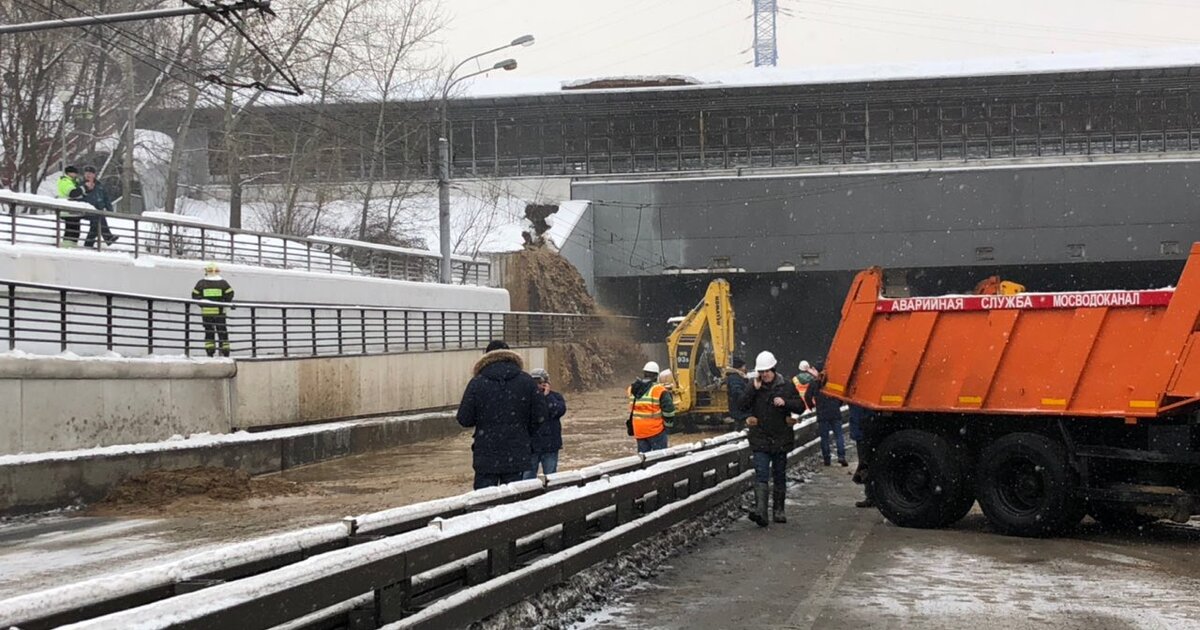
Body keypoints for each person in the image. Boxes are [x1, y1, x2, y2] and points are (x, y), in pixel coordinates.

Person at [457, 340, 547, 489]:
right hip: (517, 453)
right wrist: (523, 433)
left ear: (485, 358)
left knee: (484, 503)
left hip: (486, 454)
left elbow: (464, 419)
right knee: (513, 501)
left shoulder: (477, 383)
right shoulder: (526, 381)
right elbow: (540, 416)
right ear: (511, 356)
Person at [738, 350, 806, 526]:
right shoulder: (754, 387)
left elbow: (800, 407)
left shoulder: (786, 386)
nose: (764, 375)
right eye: (761, 372)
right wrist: (753, 389)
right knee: (761, 474)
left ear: (773, 369)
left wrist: (786, 403)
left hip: (780, 438)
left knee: (779, 474)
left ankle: (778, 509)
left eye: (767, 371)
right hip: (760, 437)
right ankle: (761, 511)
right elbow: (741, 405)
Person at [526, 368, 565, 480]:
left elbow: (559, 411)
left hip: (550, 445)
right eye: (535, 383)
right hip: (532, 446)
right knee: (527, 478)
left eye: (541, 382)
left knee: (551, 478)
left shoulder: (555, 397)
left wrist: (547, 396)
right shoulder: (527, 398)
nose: (538, 386)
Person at [627, 361, 675, 452]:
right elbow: (669, 411)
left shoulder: (633, 389)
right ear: (656, 376)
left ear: (644, 373)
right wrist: (668, 426)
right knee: (660, 457)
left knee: (644, 458)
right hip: (655, 430)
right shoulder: (659, 390)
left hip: (639, 430)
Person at [805, 370, 848, 467]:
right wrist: (837, 405)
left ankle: (827, 459)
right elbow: (841, 395)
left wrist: (812, 405)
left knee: (824, 438)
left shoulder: (814, 383)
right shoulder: (833, 383)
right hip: (835, 412)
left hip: (822, 414)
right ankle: (841, 456)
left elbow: (807, 396)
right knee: (839, 436)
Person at [192, 263, 234, 357]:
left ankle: (210, 351)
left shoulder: (201, 283)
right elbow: (230, 293)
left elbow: (195, 295)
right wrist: (224, 302)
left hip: (207, 313)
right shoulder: (223, 283)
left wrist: (203, 304)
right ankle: (225, 351)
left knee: (209, 332)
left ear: (206, 271)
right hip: (220, 312)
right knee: (222, 331)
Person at [79, 166, 118, 248]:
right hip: (86, 209)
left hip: (98, 209)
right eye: (86, 173)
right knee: (98, 219)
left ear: (94, 175)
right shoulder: (81, 185)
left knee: (96, 225)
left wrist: (109, 209)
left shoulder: (99, 186)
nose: (88, 175)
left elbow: (106, 198)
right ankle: (108, 237)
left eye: (90, 173)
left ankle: (88, 244)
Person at [848, 403, 876, 508]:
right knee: (867, 463)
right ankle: (872, 496)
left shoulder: (858, 399)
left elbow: (856, 416)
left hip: (863, 433)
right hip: (865, 431)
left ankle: (871, 497)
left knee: (866, 465)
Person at [55, 166, 84, 248]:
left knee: (75, 228)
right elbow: (72, 193)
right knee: (71, 228)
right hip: (67, 209)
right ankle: (67, 246)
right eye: (74, 173)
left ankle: (72, 245)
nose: (75, 175)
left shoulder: (73, 181)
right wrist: (83, 188)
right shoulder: (65, 181)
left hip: (72, 210)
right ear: (69, 173)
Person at [725, 356, 750, 429]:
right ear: (739, 367)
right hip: (740, 409)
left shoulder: (737, 377)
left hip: (739, 408)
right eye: (744, 366)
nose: (745, 368)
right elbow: (736, 391)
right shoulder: (734, 378)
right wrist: (746, 397)